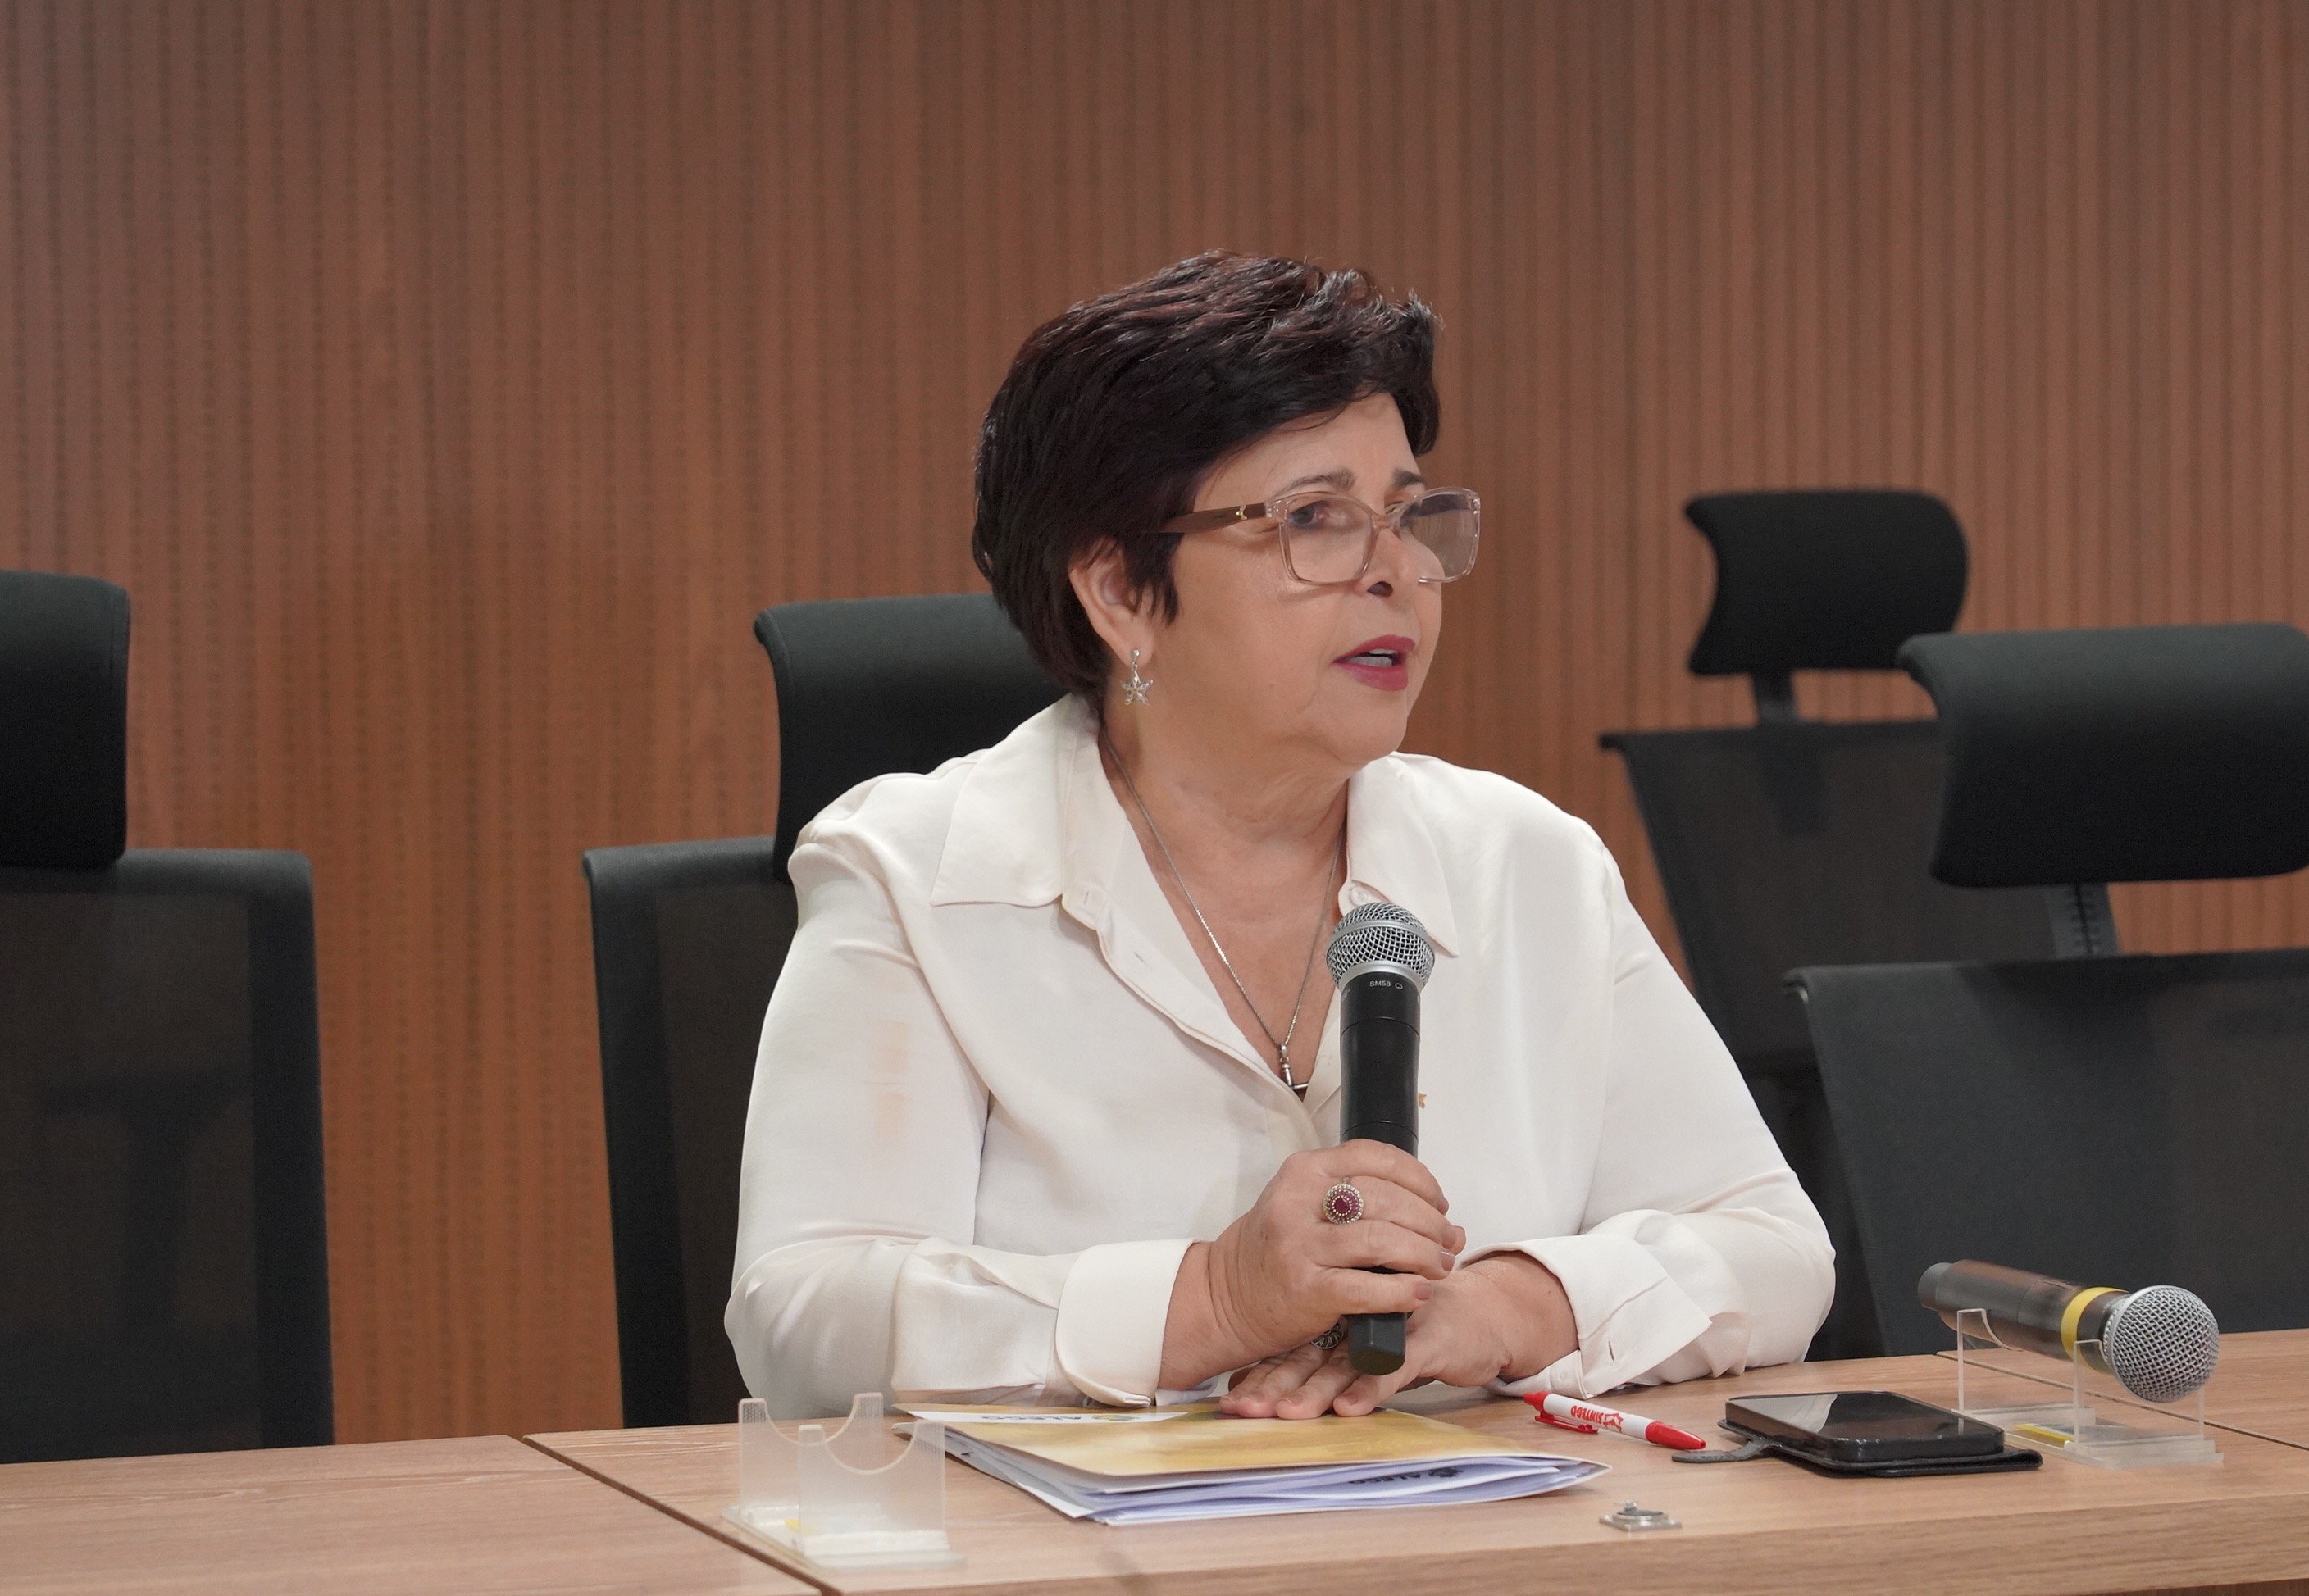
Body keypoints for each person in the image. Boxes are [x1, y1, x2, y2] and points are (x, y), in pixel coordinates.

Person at [727, 252, 1833, 1420]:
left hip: (1470, 1523)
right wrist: (1212, 1300)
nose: (1398, 573)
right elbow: (803, 1318)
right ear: (1120, 592)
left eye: (1410, 517)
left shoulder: (1526, 862)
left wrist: (1508, 1308)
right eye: (1316, 520)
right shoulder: (921, 877)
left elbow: (1773, 1247)